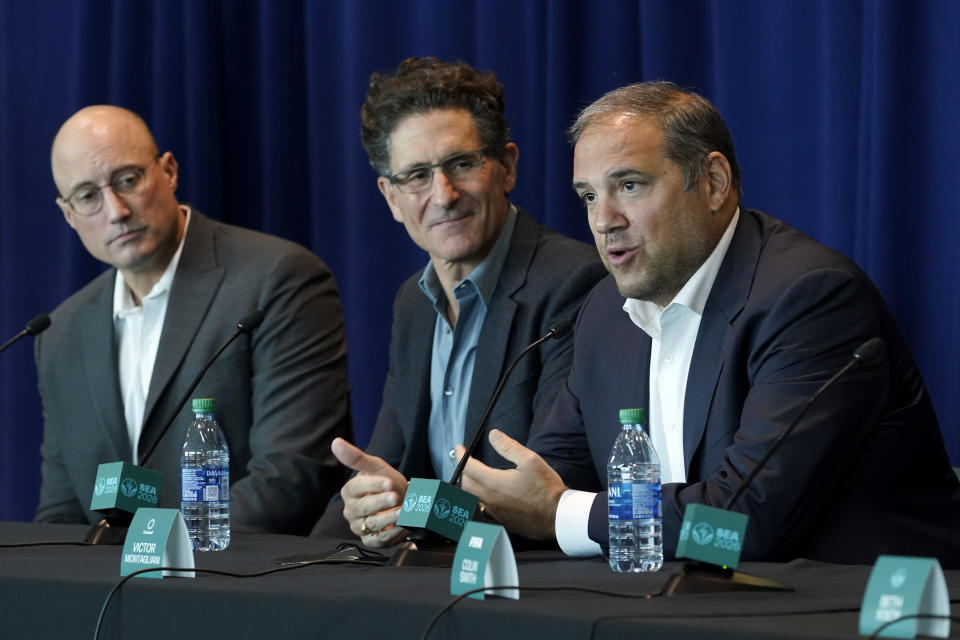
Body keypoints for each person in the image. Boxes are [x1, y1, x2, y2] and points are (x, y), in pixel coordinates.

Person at [459, 81, 960, 567]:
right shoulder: (604, 314)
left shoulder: (809, 298)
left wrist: (565, 513)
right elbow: (546, 484)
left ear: (714, 183)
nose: (602, 220)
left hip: (867, 611)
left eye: (629, 186)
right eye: (588, 196)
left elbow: (743, 524)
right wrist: (428, 513)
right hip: (696, 605)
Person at [312, 58, 605, 547]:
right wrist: (356, 519)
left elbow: (537, 500)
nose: (443, 195)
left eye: (461, 164)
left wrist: (418, 509)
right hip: (439, 581)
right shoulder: (413, 301)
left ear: (506, 166)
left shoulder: (572, 284)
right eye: (417, 176)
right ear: (390, 196)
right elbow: (386, 462)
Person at [36, 105, 352, 535]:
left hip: (243, 583)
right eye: (88, 196)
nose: (116, 211)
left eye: (128, 180)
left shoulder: (277, 279)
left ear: (168, 172)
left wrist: (158, 558)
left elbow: (292, 475)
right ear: (68, 214)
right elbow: (61, 514)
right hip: (108, 594)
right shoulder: (61, 332)